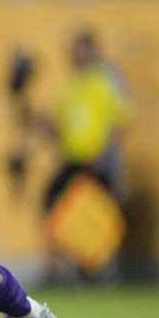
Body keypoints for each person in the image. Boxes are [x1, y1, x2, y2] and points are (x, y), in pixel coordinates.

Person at [42, 30, 129, 283]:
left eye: (78, 50)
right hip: (73, 160)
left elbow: (120, 121)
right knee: (56, 208)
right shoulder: (70, 84)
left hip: (99, 161)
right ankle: (67, 270)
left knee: (100, 216)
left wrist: (106, 152)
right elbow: (60, 126)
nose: (74, 56)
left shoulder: (105, 81)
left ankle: (103, 271)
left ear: (92, 50)